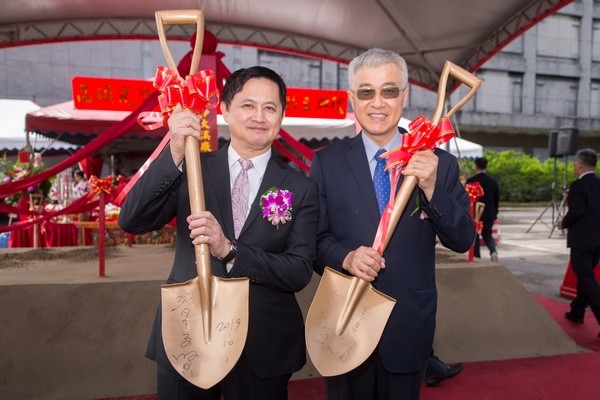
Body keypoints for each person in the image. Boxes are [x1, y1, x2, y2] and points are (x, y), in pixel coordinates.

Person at [119, 66, 318, 400]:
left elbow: (299, 271)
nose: (259, 116)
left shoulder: (299, 187)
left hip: (263, 345)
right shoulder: (194, 168)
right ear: (224, 109)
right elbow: (133, 220)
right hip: (188, 333)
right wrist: (176, 152)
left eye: (270, 108)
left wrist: (230, 251)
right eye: (247, 105)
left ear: (282, 116)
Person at [310, 48, 475, 400]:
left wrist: (431, 188)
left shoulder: (438, 164)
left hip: (408, 323)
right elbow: (314, 241)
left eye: (388, 90)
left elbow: (462, 238)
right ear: (352, 98)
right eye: (366, 92)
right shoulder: (327, 163)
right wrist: (346, 257)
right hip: (345, 321)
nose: (377, 103)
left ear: (405, 95)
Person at [557, 148, 600, 338]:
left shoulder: (578, 186)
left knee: (587, 279)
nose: (574, 166)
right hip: (598, 240)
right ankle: (577, 311)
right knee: (586, 276)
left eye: (575, 163)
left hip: (582, 240)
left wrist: (563, 223)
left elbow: (578, 211)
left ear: (580, 165)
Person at [466, 157, 500, 262]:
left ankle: (477, 257)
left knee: (474, 234)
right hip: (489, 212)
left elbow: (467, 198)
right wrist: (495, 212)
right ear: (486, 166)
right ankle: (493, 251)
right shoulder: (493, 181)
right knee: (487, 234)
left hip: (475, 212)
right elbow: (496, 198)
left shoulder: (471, 180)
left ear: (475, 166)